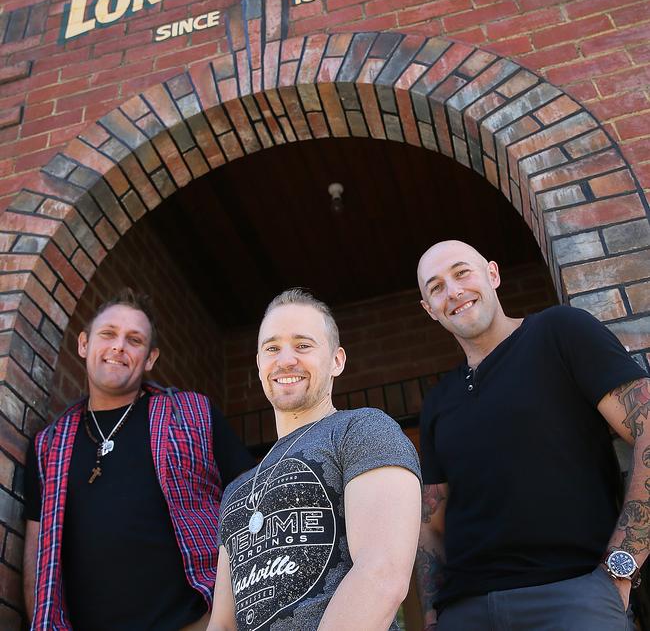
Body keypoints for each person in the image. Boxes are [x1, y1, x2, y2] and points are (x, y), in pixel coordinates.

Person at [415, 239, 650, 630]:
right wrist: (432, 613)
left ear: (492, 274)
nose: (453, 291)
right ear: (430, 310)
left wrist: (622, 566)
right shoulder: (438, 403)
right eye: (436, 287)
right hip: (466, 611)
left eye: (462, 272)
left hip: (573, 598)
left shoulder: (559, 331)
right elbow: (430, 522)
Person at [23, 288, 255, 631]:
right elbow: (37, 554)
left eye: (134, 340)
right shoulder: (48, 446)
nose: (119, 346)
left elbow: (254, 501)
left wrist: (225, 617)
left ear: (149, 358)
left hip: (196, 623)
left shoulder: (194, 415)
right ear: (84, 344)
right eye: (108, 334)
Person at [207, 287, 422, 631]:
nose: (286, 359)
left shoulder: (362, 430)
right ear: (260, 364)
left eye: (303, 345)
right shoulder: (236, 490)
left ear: (337, 360)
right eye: (272, 348)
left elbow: (382, 575)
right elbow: (222, 623)